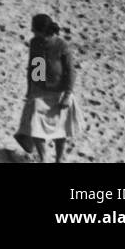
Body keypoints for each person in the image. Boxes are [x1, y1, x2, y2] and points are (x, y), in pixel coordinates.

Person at [15, 14, 81, 163]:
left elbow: (70, 71)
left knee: (60, 130)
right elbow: (35, 67)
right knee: (35, 126)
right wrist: (31, 90)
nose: (34, 34)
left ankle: (59, 159)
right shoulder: (35, 43)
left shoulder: (62, 45)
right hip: (40, 91)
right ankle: (43, 157)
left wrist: (67, 94)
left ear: (45, 31)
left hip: (59, 92)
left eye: (36, 32)